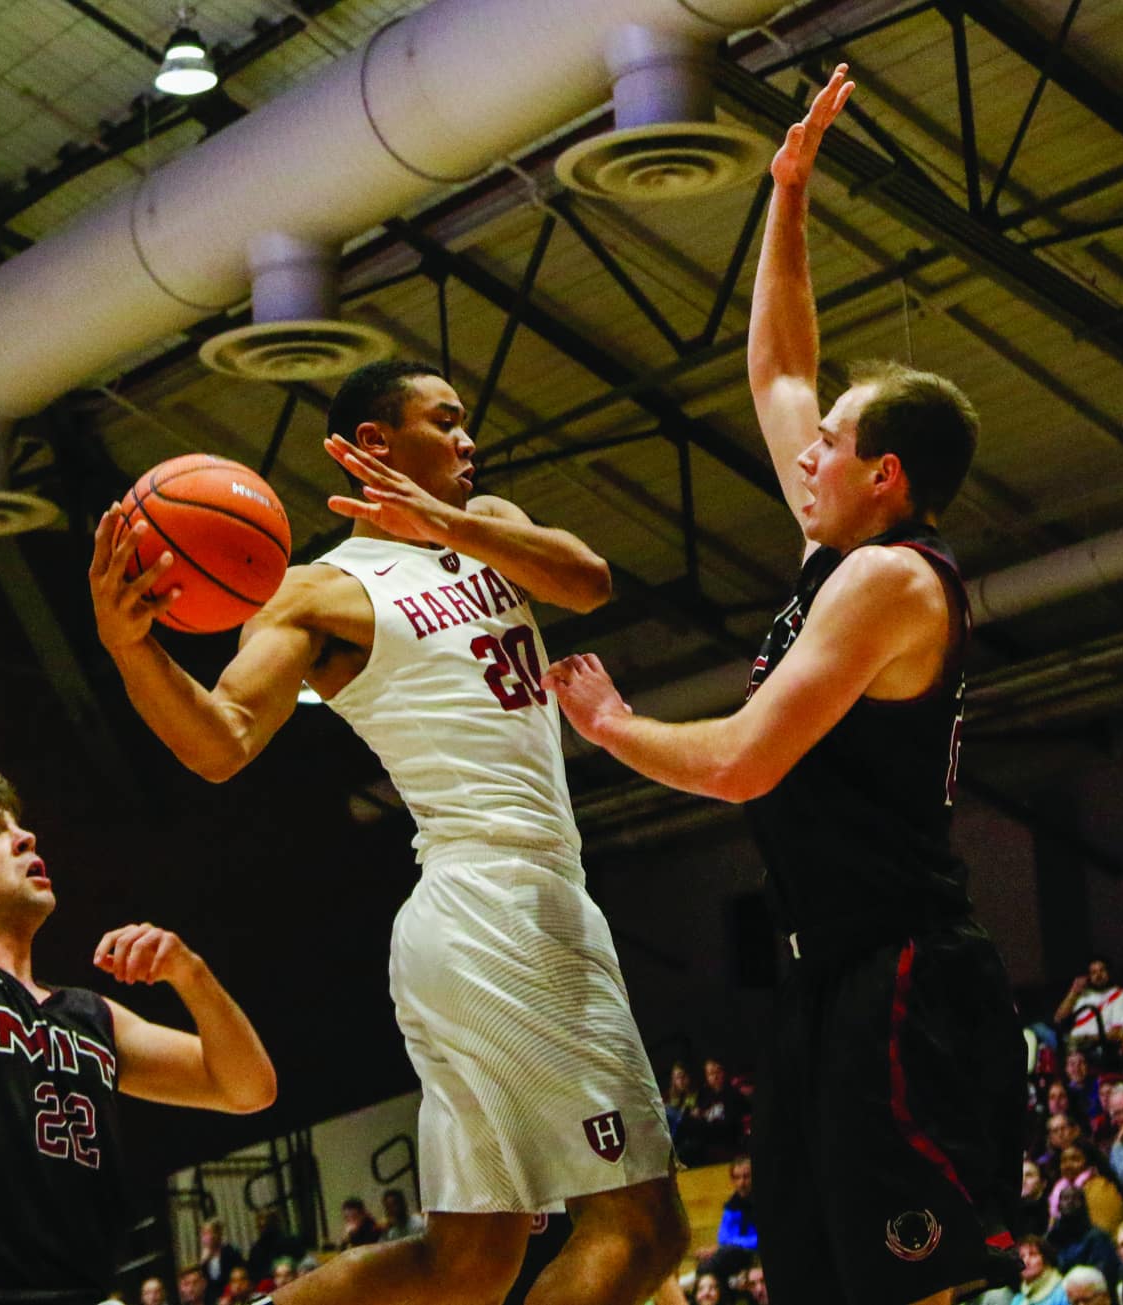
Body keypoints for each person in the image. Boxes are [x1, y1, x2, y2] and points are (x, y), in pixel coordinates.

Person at [543, 64, 1022, 1305]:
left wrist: (613, 724)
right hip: (828, 976)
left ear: (887, 476)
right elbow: (777, 371)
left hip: (902, 971)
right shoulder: (838, 553)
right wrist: (789, 195)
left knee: (909, 1289)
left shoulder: (893, 581)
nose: (806, 452)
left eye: (834, 444)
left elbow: (746, 759)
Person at [88, 357, 694, 1305]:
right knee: (642, 1229)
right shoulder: (318, 591)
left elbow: (589, 581)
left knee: (468, 1266)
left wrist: (448, 523)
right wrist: (131, 649)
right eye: (444, 421)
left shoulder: (491, 527)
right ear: (375, 442)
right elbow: (221, 740)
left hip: (476, 924)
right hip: (497, 904)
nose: (468, 439)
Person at [0, 496, 276, 1305]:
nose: (25, 836)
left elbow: (248, 1087)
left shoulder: (91, 1017)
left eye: (20, 824)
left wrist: (191, 974)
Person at [1059, 960, 1123, 1046]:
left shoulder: (1120, 995)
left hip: (1098, 1046)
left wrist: (1088, 1039)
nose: (1098, 975)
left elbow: (1118, 1033)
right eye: (1094, 972)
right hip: (1071, 1043)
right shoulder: (1082, 995)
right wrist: (1073, 992)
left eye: (1102, 970)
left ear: (1109, 973)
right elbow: (1059, 1019)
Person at [1016, 1238, 1071, 1305]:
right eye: (1021, 1257)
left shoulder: (1065, 1291)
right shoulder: (1017, 1300)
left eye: (1033, 1254)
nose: (1026, 1261)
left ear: (1046, 1260)